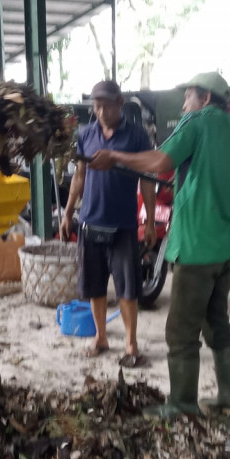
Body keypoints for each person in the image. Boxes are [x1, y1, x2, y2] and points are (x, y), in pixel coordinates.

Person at [88, 72, 230, 417]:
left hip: (197, 247)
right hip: (227, 247)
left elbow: (161, 162)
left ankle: (181, 404)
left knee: (179, 330)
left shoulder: (197, 121)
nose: (183, 104)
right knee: (216, 322)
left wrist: (116, 157)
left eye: (188, 96)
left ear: (205, 99)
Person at [61, 80, 155, 367]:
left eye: (106, 106)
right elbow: (79, 176)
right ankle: (101, 336)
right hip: (90, 222)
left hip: (123, 225)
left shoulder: (137, 136)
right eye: (96, 106)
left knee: (127, 289)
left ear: (120, 103)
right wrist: (68, 212)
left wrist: (149, 221)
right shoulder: (86, 134)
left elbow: (148, 180)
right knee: (95, 287)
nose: (100, 112)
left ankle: (131, 343)